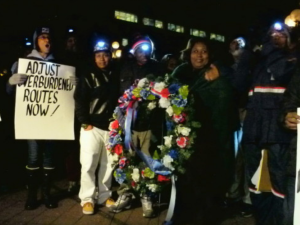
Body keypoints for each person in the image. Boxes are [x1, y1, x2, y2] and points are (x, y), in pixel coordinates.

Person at [171, 37, 238, 224]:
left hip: (209, 141)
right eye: (195, 51)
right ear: (188, 53)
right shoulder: (180, 74)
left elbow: (225, 106)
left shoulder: (216, 76)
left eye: (204, 51)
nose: (199, 55)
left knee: (205, 188)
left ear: (210, 55)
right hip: (183, 140)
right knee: (185, 186)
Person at [242, 22, 297, 225]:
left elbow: (282, 72)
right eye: (272, 33)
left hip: (279, 132)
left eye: (281, 33)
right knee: (255, 182)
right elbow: (238, 85)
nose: (276, 36)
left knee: (279, 183)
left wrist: (271, 50)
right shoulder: (256, 61)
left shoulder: (293, 59)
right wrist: (248, 54)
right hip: (253, 130)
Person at [109, 34, 163, 218]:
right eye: (140, 49)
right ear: (134, 51)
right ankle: (125, 194)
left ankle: (147, 196)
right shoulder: (124, 67)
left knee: (147, 160)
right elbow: (117, 94)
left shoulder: (156, 68)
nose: (143, 53)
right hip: (127, 125)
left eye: (147, 49)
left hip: (149, 125)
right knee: (125, 161)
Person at [6, 27, 58, 210]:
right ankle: (31, 196)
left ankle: (46, 194)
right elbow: (8, 92)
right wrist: (11, 83)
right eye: (43, 37)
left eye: (49, 37)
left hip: (51, 121)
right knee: (34, 157)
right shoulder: (23, 63)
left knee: (49, 159)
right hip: (32, 121)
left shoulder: (58, 65)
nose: (47, 40)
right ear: (37, 41)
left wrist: (70, 84)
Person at [74, 39, 120, 215]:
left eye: (106, 55)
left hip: (111, 127)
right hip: (91, 127)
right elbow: (79, 99)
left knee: (108, 164)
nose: (102, 59)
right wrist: (85, 122)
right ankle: (87, 199)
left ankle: (104, 195)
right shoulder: (87, 75)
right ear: (94, 57)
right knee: (88, 163)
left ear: (110, 56)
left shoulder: (116, 74)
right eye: (98, 55)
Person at [225, 36, 256, 217]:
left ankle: (248, 198)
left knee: (248, 155)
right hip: (234, 115)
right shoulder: (228, 70)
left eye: (240, 44)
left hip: (249, 113)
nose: (237, 46)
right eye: (233, 44)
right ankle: (233, 193)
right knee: (235, 156)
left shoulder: (252, 67)